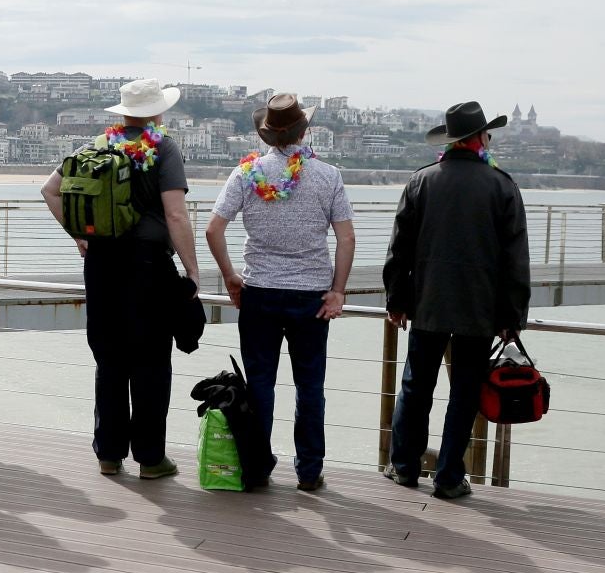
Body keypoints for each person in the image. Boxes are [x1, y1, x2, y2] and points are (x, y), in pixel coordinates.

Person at [41, 78, 200, 479]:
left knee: (109, 359)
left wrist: (79, 236)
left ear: (123, 112)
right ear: (157, 113)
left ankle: (108, 454)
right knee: (149, 361)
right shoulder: (163, 147)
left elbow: (49, 190)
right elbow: (177, 215)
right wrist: (193, 270)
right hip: (147, 265)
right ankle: (150, 459)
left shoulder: (97, 145)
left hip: (101, 264)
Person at [205, 94, 355, 491]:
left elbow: (213, 230)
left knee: (259, 385)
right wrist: (338, 291)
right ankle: (308, 471)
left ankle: (256, 469)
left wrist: (231, 278)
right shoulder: (329, 176)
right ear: (305, 131)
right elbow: (346, 237)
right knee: (310, 387)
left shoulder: (246, 173)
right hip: (311, 299)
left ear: (268, 134)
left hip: (260, 295)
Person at [382, 101, 530, 500]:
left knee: (415, 387)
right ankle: (448, 477)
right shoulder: (503, 186)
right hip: (479, 310)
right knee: (463, 393)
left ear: (450, 141)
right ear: (480, 138)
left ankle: (404, 466)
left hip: (426, 304)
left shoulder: (421, 182)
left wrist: (396, 299)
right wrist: (512, 315)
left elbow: (399, 250)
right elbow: (516, 261)